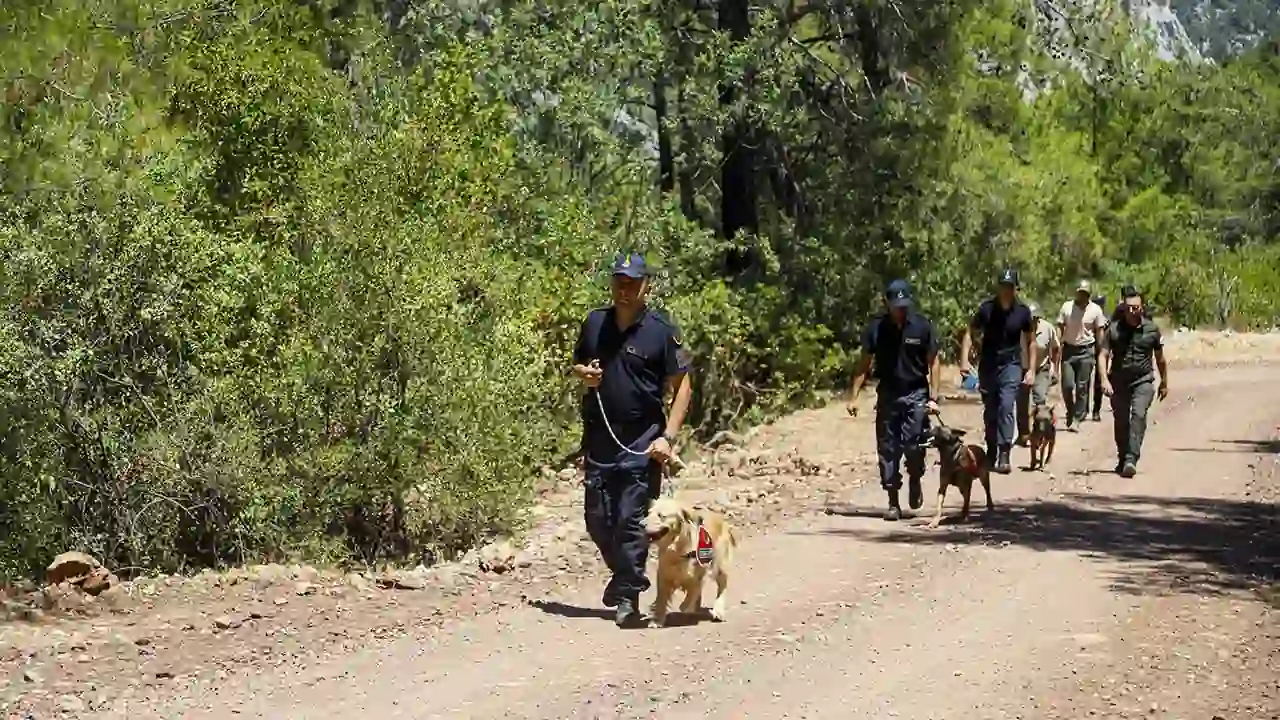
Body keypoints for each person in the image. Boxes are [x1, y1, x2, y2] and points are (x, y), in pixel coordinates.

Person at [571, 253, 693, 626]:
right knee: (596, 520)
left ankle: (628, 599)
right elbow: (579, 363)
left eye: (632, 283)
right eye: (619, 282)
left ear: (646, 287)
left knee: (631, 519)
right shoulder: (595, 323)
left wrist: (668, 438)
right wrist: (584, 374)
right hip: (601, 436)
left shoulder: (661, 330)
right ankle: (624, 576)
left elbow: (683, 384)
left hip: (643, 438)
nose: (624, 289)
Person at [846, 280, 941, 520]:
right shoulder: (876, 329)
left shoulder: (922, 327)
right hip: (888, 392)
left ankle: (916, 476)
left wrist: (934, 396)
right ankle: (892, 501)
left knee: (913, 444)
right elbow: (864, 363)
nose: (900, 310)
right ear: (887, 304)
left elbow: (934, 361)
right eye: (896, 306)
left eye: (904, 306)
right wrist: (854, 396)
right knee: (888, 448)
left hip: (916, 392)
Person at [959, 268, 1036, 475]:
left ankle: (1004, 452)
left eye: (1010, 287)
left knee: (1006, 405)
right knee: (991, 409)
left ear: (1015, 288)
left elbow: (1031, 342)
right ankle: (991, 449)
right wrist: (965, 360)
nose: (1006, 291)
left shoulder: (1022, 311)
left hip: (1011, 364)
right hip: (989, 364)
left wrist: (1031, 370)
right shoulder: (987, 309)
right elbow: (970, 333)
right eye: (1003, 286)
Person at [1098, 285, 1169, 478]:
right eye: (1128, 307)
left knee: (1137, 415)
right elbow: (1103, 355)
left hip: (1143, 380)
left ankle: (1131, 458)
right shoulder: (1114, 330)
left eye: (1136, 307)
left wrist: (1164, 382)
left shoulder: (1152, 330)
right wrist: (1104, 379)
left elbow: (1160, 359)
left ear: (1142, 307)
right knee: (1121, 420)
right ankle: (1122, 456)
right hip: (1119, 381)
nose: (1132, 311)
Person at [1055, 280, 1107, 430]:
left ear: (1089, 295)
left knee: (1082, 387)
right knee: (1067, 385)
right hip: (1069, 350)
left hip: (1086, 351)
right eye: (1080, 293)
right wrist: (1058, 344)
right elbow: (1060, 325)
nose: (1082, 296)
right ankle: (1070, 412)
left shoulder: (1095, 310)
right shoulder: (1067, 307)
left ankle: (1077, 418)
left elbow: (1099, 332)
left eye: (1085, 293)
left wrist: (1101, 352)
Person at [1016, 301, 1061, 446]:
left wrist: (1055, 367)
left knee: (1039, 399)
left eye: (1034, 318)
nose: (1031, 321)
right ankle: (1023, 434)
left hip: (1041, 368)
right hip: (1021, 368)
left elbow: (1055, 348)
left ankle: (1040, 432)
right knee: (1022, 402)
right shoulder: (1017, 330)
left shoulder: (1048, 328)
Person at [1088, 293, 1108, 422]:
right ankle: (1084, 408)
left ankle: (1096, 410)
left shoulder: (1106, 319)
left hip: (1102, 351)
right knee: (1083, 381)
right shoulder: (1089, 315)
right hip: (1089, 349)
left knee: (1099, 382)